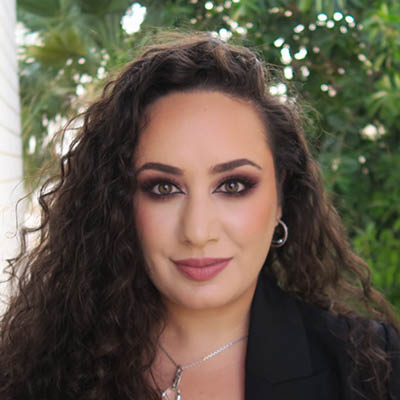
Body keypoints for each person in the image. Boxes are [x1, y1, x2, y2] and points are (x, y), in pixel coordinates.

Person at [0, 32, 399, 400]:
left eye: (233, 185)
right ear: (119, 204)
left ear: (281, 196)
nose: (197, 231)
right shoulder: (40, 369)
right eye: (163, 188)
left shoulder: (373, 372)